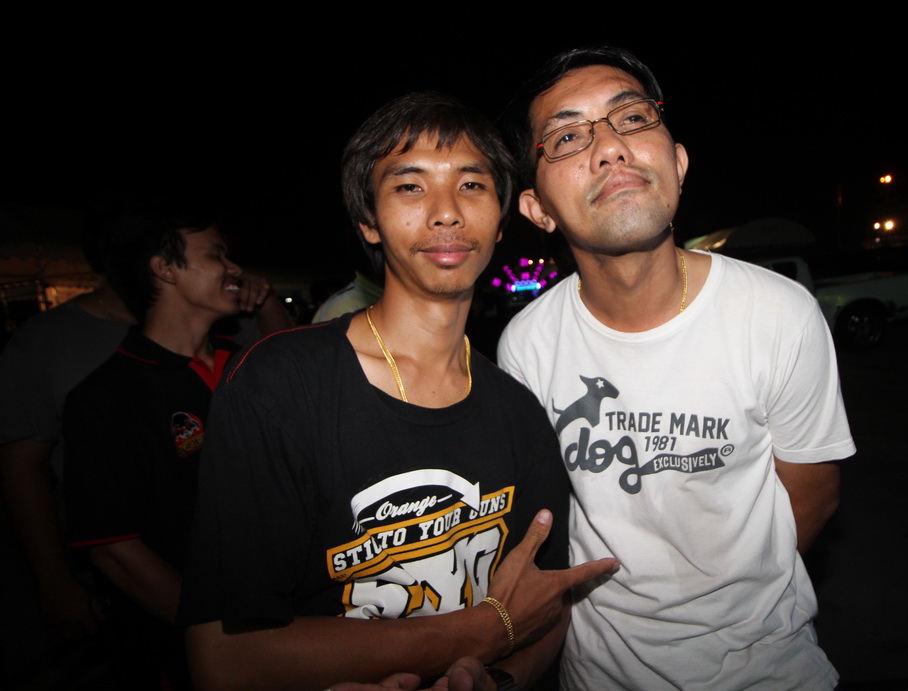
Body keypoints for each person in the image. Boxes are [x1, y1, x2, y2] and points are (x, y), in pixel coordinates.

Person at [178, 92, 616, 691]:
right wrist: (481, 632)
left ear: (500, 217)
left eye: (472, 185)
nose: (446, 213)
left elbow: (546, 608)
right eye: (410, 187)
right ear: (368, 220)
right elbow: (222, 658)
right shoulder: (279, 385)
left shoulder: (518, 410)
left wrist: (498, 679)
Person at [497, 48, 856, 690]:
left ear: (679, 163)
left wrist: (726, 606)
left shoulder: (778, 313)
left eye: (633, 118)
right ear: (537, 209)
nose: (610, 148)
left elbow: (814, 495)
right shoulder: (527, 345)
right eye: (568, 137)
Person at [61, 200, 279, 689]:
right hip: (182, 650)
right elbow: (116, 550)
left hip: (279, 614)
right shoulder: (107, 398)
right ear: (164, 269)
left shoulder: (249, 365)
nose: (234, 268)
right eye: (216, 255)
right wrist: (217, 635)